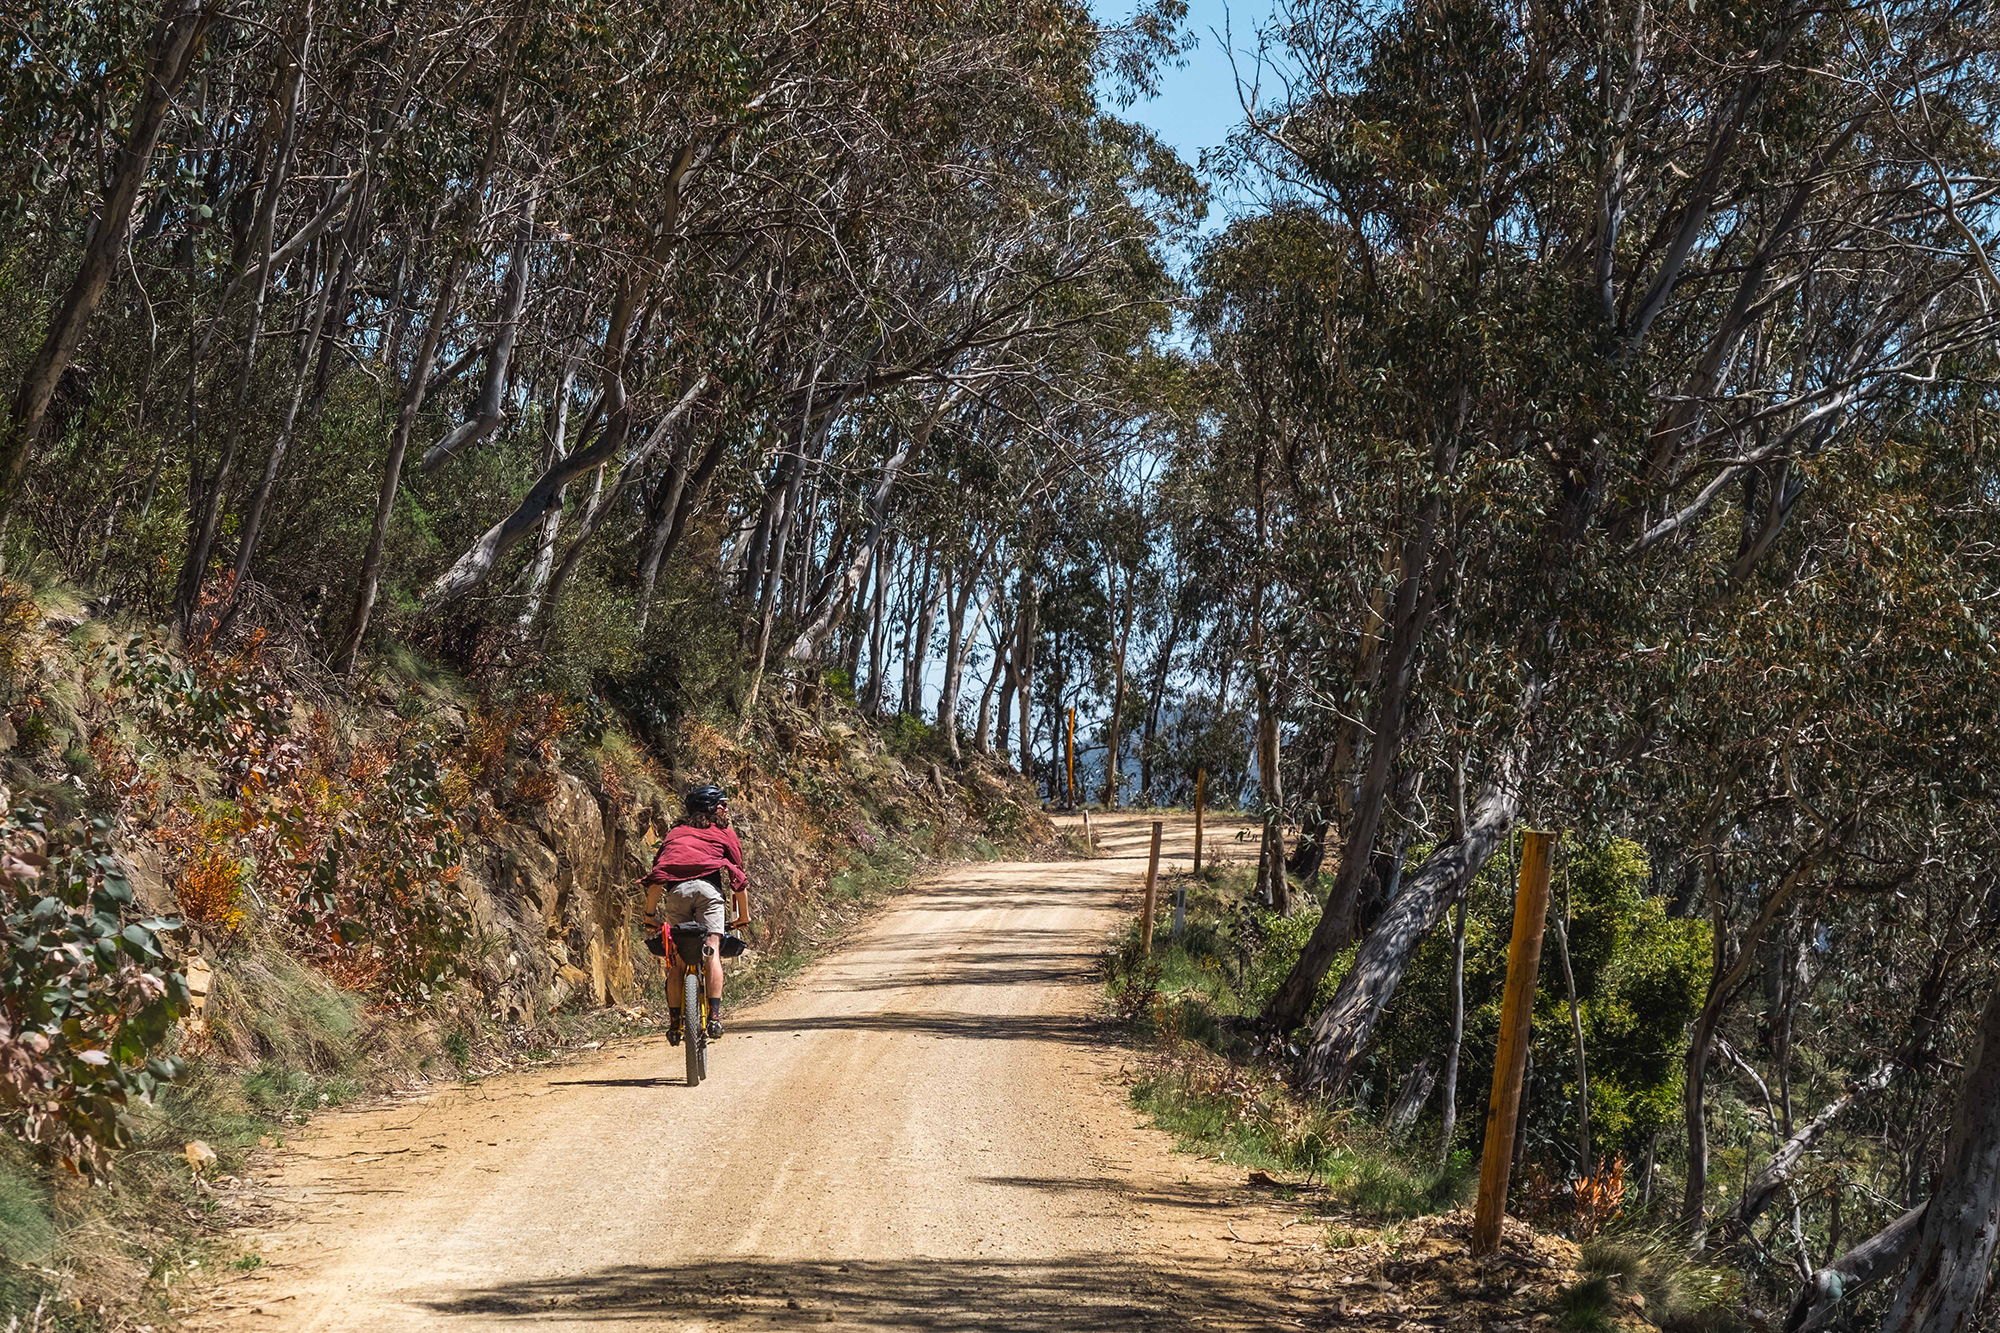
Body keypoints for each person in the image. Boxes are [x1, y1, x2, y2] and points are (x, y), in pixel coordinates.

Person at [639, 784, 748, 1039]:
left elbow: (657, 878)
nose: (726, 810)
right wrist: (743, 917)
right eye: (723, 805)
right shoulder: (724, 833)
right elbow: (738, 879)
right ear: (712, 809)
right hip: (708, 894)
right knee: (712, 953)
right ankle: (714, 1018)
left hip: (676, 894)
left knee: (676, 960)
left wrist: (649, 917)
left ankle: (675, 1023)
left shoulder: (675, 834)